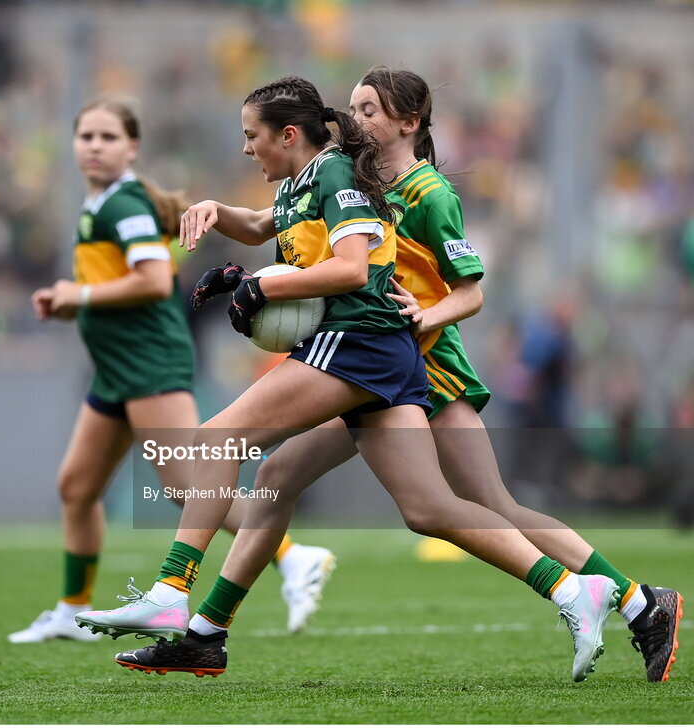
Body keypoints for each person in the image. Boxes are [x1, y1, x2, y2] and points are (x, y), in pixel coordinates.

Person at [99, 69, 684, 684]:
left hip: (420, 364)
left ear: (409, 123)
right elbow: (282, 229)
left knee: (485, 502)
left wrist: (420, 312)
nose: (356, 119)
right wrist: (225, 221)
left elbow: (469, 291)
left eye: (370, 109)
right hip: (378, 357)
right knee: (315, 482)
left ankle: (636, 601)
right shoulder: (351, 177)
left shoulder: (427, 193)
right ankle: (206, 632)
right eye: (352, 107)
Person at [9, 99, 334, 643]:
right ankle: (71, 608)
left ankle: (292, 556)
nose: (94, 145)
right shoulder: (102, 203)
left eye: (108, 137)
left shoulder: (125, 205)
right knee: (77, 486)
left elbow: (156, 280)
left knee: (190, 482)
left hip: (149, 363)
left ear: (132, 147)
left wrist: (78, 295)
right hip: (117, 368)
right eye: (85, 135)